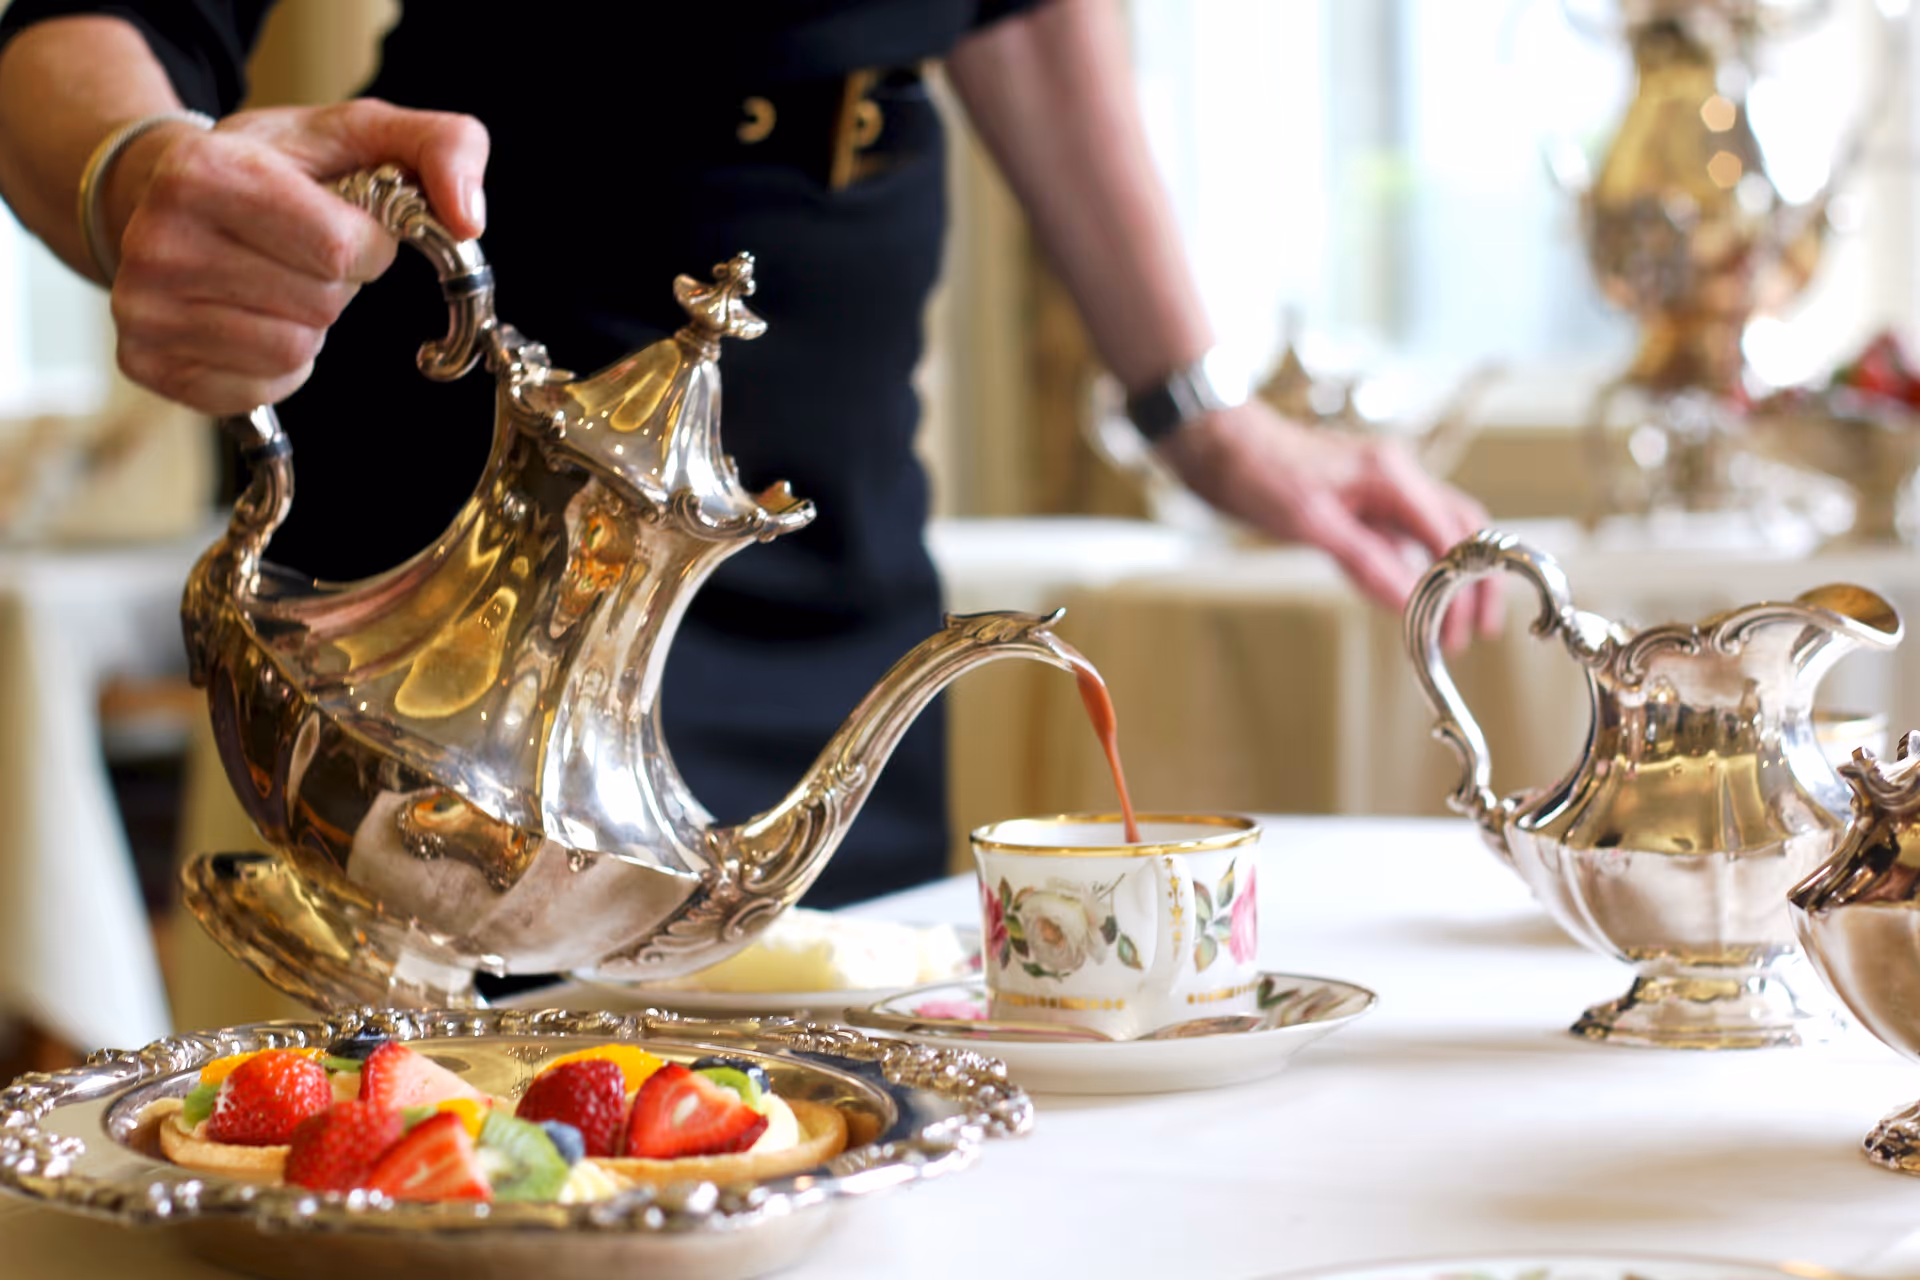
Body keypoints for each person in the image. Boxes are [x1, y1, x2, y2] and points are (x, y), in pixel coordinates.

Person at [0, 0, 1497, 907]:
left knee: (856, 1122)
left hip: (835, 493)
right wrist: (140, 179)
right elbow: (73, 27)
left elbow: (1021, 14)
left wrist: (1202, 413)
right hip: (496, 505)